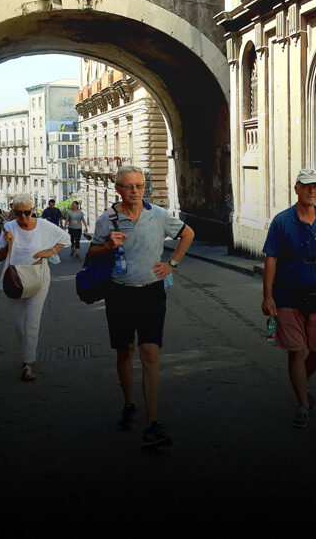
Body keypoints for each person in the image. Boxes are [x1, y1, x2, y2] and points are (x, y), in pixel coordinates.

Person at [89, 166, 194, 448]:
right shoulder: (107, 220)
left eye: (139, 185)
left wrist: (172, 264)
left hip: (151, 292)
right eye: (129, 186)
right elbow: (91, 253)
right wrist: (107, 245)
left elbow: (188, 234)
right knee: (126, 351)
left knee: (150, 353)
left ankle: (152, 424)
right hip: (119, 293)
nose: (135, 191)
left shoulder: (158, 216)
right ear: (119, 189)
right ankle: (129, 403)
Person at [262, 168, 316, 428]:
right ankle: (303, 404)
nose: (312, 191)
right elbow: (271, 260)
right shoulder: (282, 221)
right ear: (296, 188)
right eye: (306, 186)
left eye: (315, 186)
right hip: (287, 297)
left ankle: (302, 383)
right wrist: (268, 296)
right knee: (296, 351)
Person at [0, 193, 70, 381]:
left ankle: (28, 363)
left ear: (33, 210)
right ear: (13, 212)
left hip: (38, 277)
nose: (24, 217)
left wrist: (50, 251)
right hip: (14, 279)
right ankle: (27, 350)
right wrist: (8, 242)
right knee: (19, 324)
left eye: (27, 212)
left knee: (32, 321)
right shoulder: (9, 227)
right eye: (19, 213)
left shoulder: (43, 225)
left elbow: (65, 238)